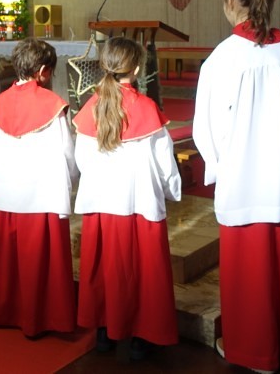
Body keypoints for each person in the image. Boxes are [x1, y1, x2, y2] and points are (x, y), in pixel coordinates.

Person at [193, 0, 280, 373]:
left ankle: (255, 351)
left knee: (249, 273)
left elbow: (206, 129)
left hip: (244, 180)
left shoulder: (224, 57)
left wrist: (221, 168)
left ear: (230, 2)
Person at [73, 36, 180, 359]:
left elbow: (82, 160)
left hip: (102, 205)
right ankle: (141, 338)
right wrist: (171, 190)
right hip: (139, 204)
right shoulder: (146, 108)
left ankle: (104, 333)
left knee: (106, 269)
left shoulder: (91, 107)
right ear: (135, 69)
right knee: (144, 271)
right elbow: (164, 163)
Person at [0, 37, 77, 337]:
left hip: (10, 195)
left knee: (10, 259)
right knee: (44, 260)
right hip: (43, 195)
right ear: (42, 71)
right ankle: (45, 317)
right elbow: (67, 152)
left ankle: (7, 311)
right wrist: (73, 179)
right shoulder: (52, 105)